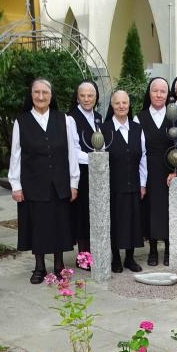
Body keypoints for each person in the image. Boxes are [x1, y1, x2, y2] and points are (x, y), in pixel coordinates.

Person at [8, 78, 81, 284]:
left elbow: (71, 154)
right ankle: (39, 267)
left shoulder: (64, 120)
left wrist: (73, 182)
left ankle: (59, 265)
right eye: (36, 92)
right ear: (31, 95)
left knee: (59, 224)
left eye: (45, 93)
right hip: (33, 183)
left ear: (51, 95)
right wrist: (16, 185)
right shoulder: (21, 122)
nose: (41, 97)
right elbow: (16, 155)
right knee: (38, 226)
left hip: (59, 182)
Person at [133, 77, 177, 267]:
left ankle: (168, 249)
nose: (158, 94)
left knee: (168, 210)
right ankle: (153, 249)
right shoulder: (138, 118)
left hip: (169, 170)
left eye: (163, 91)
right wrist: (141, 181)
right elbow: (138, 151)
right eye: (155, 91)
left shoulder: (176, 116)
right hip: (148, 168)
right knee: (150, 210)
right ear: (149, 93)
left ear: (168, 95)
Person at [102, 90, 147, 273]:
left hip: (134, 184)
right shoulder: (104, 130)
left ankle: (130, 258)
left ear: (129, 105)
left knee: (133, 222)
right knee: (115, 222)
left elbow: (143, 157)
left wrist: (143, 183)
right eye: (117, 103)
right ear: (112, 106)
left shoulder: (137, 129)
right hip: (113, 186)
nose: (121, 106)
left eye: (125, 103)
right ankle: (115, 259)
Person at [67, 80, 102, 271]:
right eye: (83, 96)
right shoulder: (71, 118)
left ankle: (95, 253)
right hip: (81, 172)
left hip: (97, 173)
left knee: (95, 213)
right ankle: (83, 257)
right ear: (77, 97)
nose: (87, 99)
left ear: (96, 97)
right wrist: (96, 158)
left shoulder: (98, 116)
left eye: (91, 95)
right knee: (82, 215)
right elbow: (73, 149)